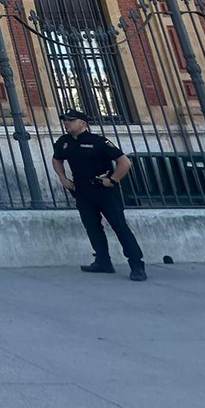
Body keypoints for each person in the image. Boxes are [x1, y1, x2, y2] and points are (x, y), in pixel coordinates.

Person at [52, 110, 146, 282]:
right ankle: (103, 261)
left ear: (83, 123)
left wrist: (112, 180)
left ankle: (137, 264)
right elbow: (56, 159)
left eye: (71, 121)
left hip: (104, 190)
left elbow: (124, 162)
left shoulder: (98, 141)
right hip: (82, 190)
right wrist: (63, 178)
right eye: (65, 121)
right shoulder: (63, 142)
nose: (67, 123)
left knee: (119, 226)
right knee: (92, 227)